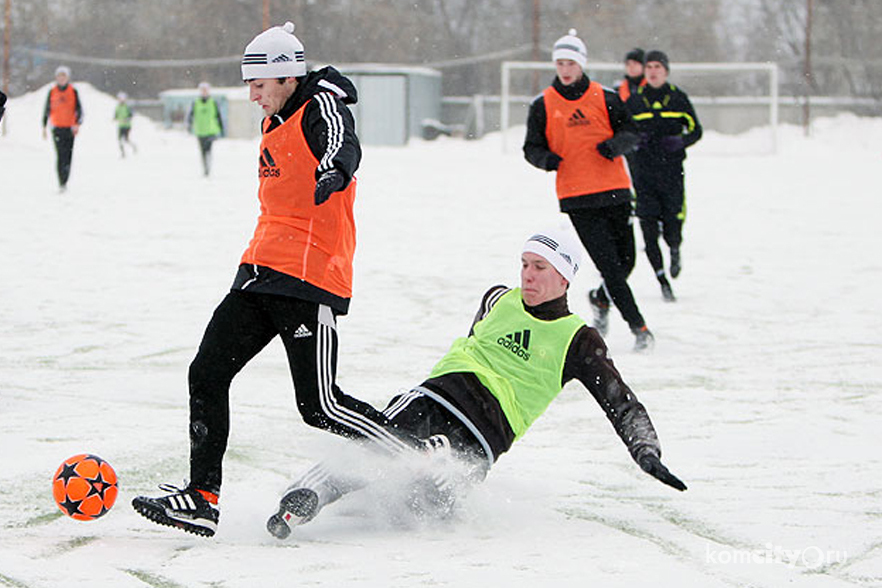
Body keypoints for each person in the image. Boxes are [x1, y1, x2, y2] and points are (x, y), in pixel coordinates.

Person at [132, 21, 420, 537]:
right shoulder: (274, 120)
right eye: (249, 84)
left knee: (319, 405)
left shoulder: (319, 107)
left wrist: (336, 169)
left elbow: (340, 142)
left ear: (287, 76)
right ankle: (201, 497)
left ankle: (415, 462)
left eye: (258, 83)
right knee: (207, 372)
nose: (252, 94)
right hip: (260, 268)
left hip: (308, 274)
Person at [265, 228, 687, 540]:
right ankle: (310, 493)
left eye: (540, 267)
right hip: (436, 399)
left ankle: (428, 460)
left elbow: (622, 402)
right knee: (375, 446)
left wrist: (645, 450)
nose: (528, 275)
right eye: (524, 264)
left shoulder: (579, 340)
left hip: (484, 440)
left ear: (564, 278)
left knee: (419, 513)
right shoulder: (497, 298)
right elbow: (470, 349)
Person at [523, 29, 653, 352]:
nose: (565, 69)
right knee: (610, 266)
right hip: (577, 197)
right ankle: (639, 327)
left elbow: (632, 132)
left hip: (616, 191)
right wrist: (547, 159)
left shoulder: (606, 97)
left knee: (627, 261)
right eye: (560, 63)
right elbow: (531, 147)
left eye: (570, 63)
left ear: (581, 64)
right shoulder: (543, 105)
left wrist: (614, 146)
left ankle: (599, 298)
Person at [627, 50, 702, 301]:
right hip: (644, 177)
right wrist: (636, 142)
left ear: (666, 71)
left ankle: (675, 248)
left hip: (671, 175)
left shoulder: (678, 98)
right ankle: (662, 280)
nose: (653, 71)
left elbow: (696, 130)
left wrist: (679, 142)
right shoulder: (635, 101)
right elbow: (622, 135)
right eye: (649, 66)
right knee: (648, 232)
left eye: (658, 66)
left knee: (672, 227)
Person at [42, 66, 82, 192]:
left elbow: (79, 110)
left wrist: (77, 124)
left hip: (69, 128)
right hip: (57, 127)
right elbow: (47, 109)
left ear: (67, 78)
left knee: (68, 155)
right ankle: (61, 181)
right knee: (60, 155)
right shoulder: (52, 92)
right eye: (59, 76)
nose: (61, 78)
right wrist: (44, 125)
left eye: (64, 76)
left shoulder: (73, 91)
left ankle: (65, 179)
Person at [187, 81, 224, 176]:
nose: (204, 92)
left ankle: (208, 168)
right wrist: (189, 126)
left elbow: (218, 116)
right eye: (202, 90)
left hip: (211, 131)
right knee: (202, 151)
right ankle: (205, 167)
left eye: (206, 90)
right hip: (200, 131)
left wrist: (221, 129)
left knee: (208, 149)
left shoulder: (213, 102)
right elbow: (190, 116)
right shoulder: (195, 103)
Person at [113, 92, 136, 158]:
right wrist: (115, 118)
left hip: (127, 126)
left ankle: (133, 147)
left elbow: (131, 115)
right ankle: (123, 153)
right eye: (119, 99)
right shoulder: (117, 107)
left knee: (126, 139)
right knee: (119, 139)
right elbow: (116, 115)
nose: (121, 100)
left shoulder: (127, 106)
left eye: (122, 98)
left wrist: (127, 119)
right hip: (121, 125)